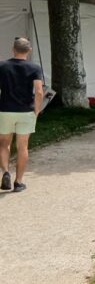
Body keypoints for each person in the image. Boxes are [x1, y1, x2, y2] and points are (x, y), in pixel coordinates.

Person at [0, 36, 44, 193]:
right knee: (22, 146)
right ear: (29, 50)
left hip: (5, 110)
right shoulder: (34, 68)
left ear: (13, 49)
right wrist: (37, 110)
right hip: (26, 111)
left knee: (4, 143)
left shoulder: (2, 66)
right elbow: (39, 92)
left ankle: (5, 172)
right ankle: (18, 182)